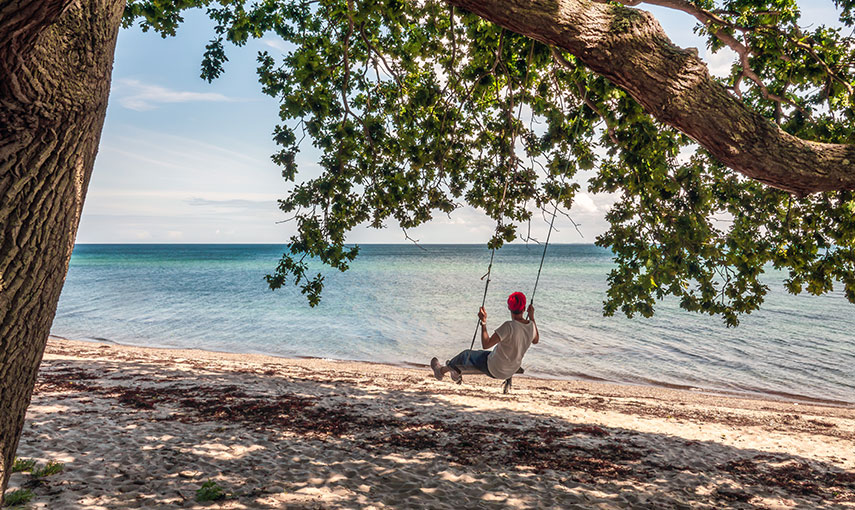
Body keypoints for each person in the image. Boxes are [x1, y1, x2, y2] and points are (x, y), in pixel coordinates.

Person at [431, 291, 539, 383]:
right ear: (524, 308)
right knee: (480, 354)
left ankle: (440, 372)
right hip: (511, 369)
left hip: (495, 368)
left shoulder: (508, 326)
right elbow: (536, 340)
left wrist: (483, 322)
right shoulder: (531, 326)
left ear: (509, 308)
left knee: (465, 355)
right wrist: (532, 317)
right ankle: (454, 372)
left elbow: (486, 344)